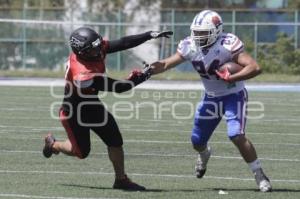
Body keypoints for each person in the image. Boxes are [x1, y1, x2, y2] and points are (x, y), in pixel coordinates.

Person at [148, 10, 272, 192]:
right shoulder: (189, 45)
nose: (198, 36)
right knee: (197, 141)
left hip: (233, 95)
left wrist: (232, 77)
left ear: (216, 31)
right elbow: (166, 64)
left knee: (236, 135)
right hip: (211, 97)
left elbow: (255, 67)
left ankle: (259, 174)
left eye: (203, 33)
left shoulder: (227, 44)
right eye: (196, 32)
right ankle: (204, 154)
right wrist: (147, 71)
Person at [42, 26, 173, 191]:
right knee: (81, 152)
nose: (99, 50)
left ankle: (121, 179)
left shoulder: (91, 49)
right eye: (93, 49)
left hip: (92, 105)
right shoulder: (82, 73)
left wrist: (149, 35)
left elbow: (124, 43)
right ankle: (53, 144)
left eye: (98, 45)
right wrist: (142, 77)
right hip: (73, 113)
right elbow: (118, 87)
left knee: (115, 141)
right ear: (81, 52)